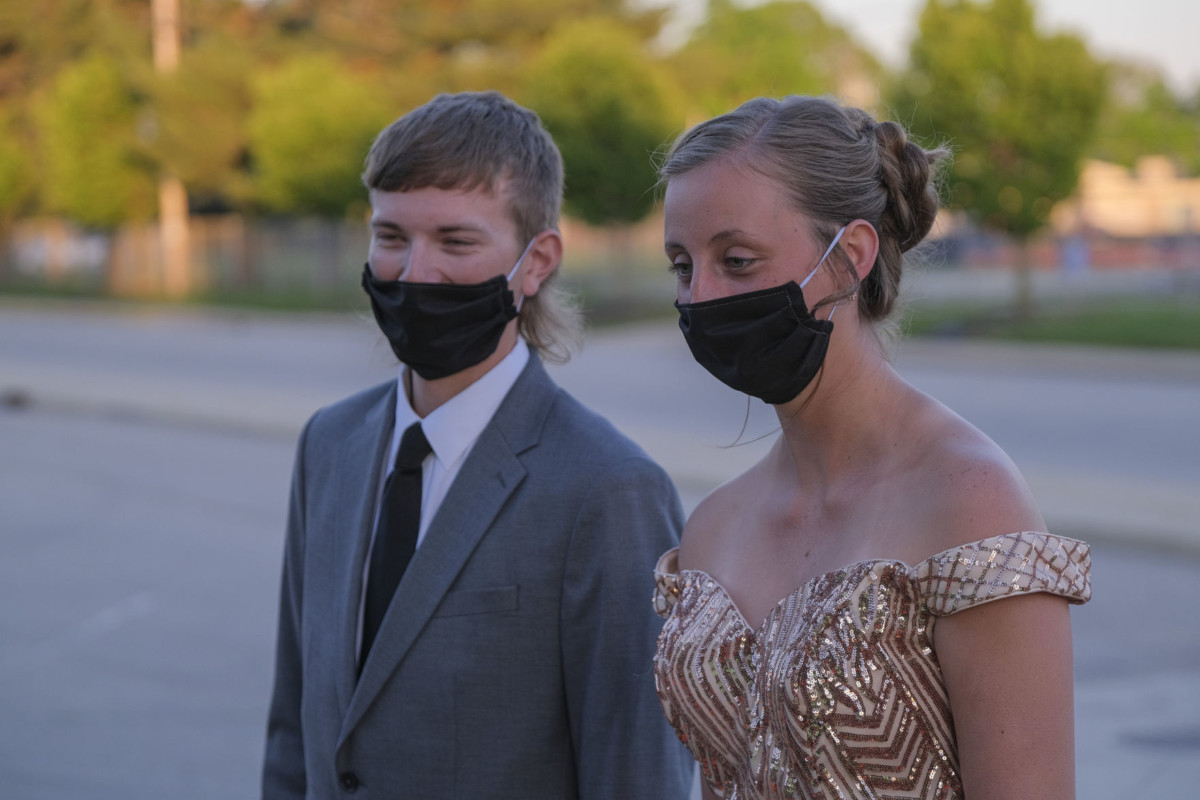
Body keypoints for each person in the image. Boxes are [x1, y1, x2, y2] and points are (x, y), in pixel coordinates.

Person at [650, 95, 1092, 800]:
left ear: (850, 256)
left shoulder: (970, 501)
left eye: (736, 260)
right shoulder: (714, 526)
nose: (700, 297)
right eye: (682, 266)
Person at [262, 91, 694, 800]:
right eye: (391, 236)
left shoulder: (608, 487)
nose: (413, 272)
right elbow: (293, 729)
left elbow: (636, 775)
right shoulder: (328, 446)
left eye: (455, 242)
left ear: (536, 261)